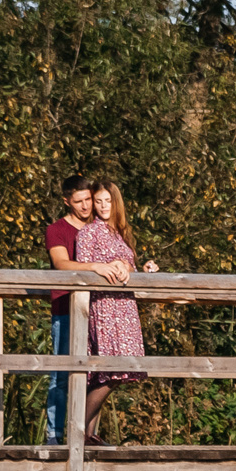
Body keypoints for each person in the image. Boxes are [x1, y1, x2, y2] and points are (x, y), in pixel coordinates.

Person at [40, 174, 130, 444]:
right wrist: (94, 267)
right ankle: (55, 436)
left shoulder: (100, 227)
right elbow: (61, 264)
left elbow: (121, 258)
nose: (86, 206)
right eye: (79, 201)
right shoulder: (57, 229)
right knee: (61, 373)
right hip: (66, 308)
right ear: (66, 201)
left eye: (88, 200)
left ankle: (86, 435)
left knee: (98, 373)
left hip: (98, 311)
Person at [73, 180, 157, 445]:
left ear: (116, 202)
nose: (102, 206)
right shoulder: (89, 233)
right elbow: (84, 266)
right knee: (110, 371)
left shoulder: (120, 232)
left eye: (107, 201)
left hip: (125, 307)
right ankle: (78, 431)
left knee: (118, 371)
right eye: (98, 201)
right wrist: (107, 265)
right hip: (105, 307)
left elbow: (128, 267)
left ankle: (88, 435)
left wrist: (142, 269)